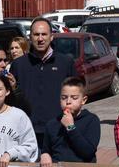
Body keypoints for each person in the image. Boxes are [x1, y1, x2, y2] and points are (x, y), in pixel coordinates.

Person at [9, 17, 76, 145]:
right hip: (26, 132)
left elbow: (76, 96)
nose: (40, 39)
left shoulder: (66, 63)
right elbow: (11, 100)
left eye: (44, 34)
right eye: (36, 34)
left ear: (51, 37)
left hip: (58, 130)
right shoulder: (18, 65)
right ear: (30, 37)